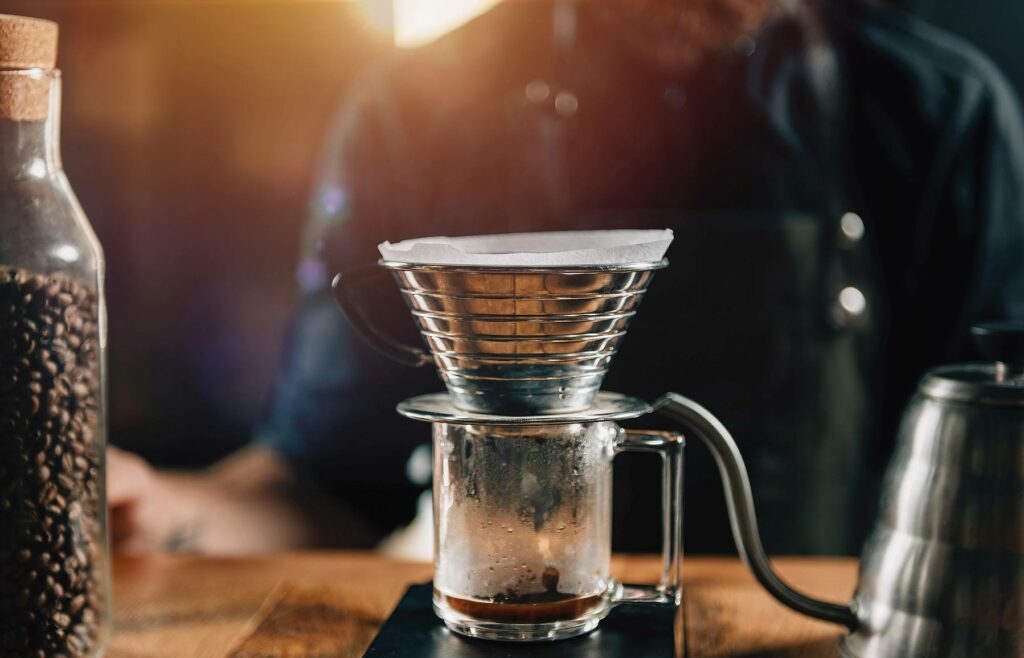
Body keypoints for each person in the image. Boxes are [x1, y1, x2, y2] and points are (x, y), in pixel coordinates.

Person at [109, 0, 1024, 556]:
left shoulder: (936, 113)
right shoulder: (417, 110)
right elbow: (320, 485)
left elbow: (992, 491)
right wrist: (159, 512)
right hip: (508, 643)